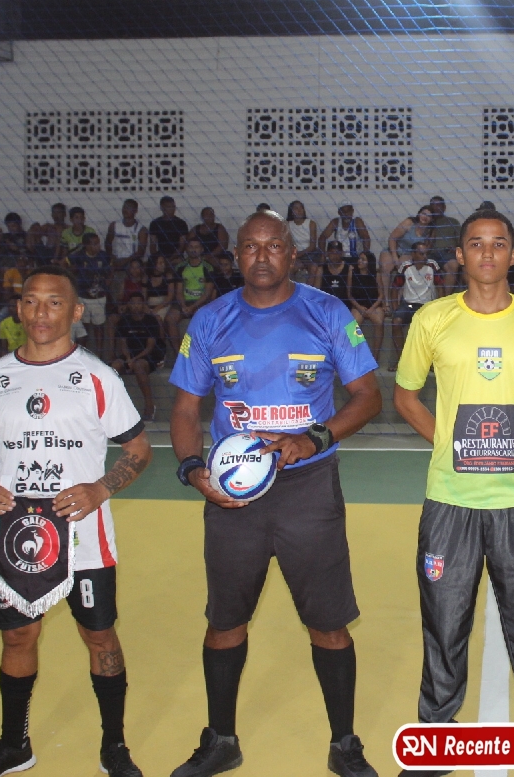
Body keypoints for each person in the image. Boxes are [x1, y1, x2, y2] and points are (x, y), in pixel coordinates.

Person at [167, 210, 382, 777]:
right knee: (225, 620)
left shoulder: (327, 312)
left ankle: (344, 744)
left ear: (292, 252)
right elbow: (186, 409)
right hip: (232, 495)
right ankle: (222, 740)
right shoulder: (210, 320)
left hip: (308, 489)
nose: (261, 256)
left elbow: (368, 396)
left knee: (328, 621)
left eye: (273, 246)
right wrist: (193, 469)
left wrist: (314, 437)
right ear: (236, 254)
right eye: (250, 247)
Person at [392, 206, 514, 777]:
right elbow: (405, 396)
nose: (487, 253)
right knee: (444, 626)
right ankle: (433, 746)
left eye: (499, 243)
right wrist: (447, 444)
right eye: (476, 243)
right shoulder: (433, 319)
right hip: (449, 500)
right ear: (460, 255)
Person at [0, 265, 152, 777]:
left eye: (53, 302)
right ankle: (14, 744)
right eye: (30, 301)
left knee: (99, 636)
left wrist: (100, 489)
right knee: (17, 637)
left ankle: (114, 746)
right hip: (17, 535)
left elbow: (138, 448)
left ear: (75, 311)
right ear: (18, 307)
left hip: (85, 536)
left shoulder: (97, 378)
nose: (40, 312)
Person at [111, 293, 165, 422]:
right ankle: (114, 408)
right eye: (133, 303)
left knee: (139, 366)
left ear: (143, 304)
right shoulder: (124, 321)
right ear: (129, 305)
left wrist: (133, 360)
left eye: (138, 302)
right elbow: (123, 344)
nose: (136, 306)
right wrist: (128, 358)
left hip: (148, 356)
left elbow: (150, 347)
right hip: (130, 355)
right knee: (114, 367)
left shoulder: (150, 320)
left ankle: (149, 406)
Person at [390, 242, 441, 368]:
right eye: (421, 253)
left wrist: (440, 306)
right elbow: (395, 287)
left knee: (430, 326)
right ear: (413, 254)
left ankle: (430, 362)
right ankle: (402, 360)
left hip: (426, 305)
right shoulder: (406, 267)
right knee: (396, 322)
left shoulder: (432, 265)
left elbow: (441, 286)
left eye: (426, 253)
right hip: (408, 304)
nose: (425, 256)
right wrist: (395, 308)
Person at [70, 233, 113, 356]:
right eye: (94, 244)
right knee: (84, 327)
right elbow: (65, 264)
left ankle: (99, 353)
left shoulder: (104, 256)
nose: (97, 246)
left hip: (99, 296)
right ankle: (84, 353)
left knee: (99, 326)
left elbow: (111, 270)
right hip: (83, 296)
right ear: (86, 245)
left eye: (98, 243)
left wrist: (108, 280)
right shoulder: (79, 256)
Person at [381, 205, 437, 292]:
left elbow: (426, 250)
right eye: (423, 214)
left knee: (404, 268)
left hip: (410, 254)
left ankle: (399, 297)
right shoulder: (409, 222)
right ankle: (386, 298)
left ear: (432, 219)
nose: (425, 217)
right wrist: (395, 256)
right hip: (394, 249)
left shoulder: (431, 231)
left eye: (429, 216)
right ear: (419, 214)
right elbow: (392, 238)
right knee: (385, 267)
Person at [346, 250, 386, 366]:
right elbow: (349, 295)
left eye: (363, 259)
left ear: (369, 262)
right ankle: (357, 356)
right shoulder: (352, 273)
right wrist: (359, 307)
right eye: (359, 259)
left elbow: (381, 295)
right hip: (358, 305)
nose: (359, 261)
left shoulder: (376, 274)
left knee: (379, 322)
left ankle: (375, 357)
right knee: (352, 325)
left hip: (373, 305)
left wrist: (372, 308)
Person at [145, 252, 180, 359]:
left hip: (163, 305)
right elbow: (143, 297)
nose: (162, 265)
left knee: (158, 318)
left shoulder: (168, 276)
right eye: (159, 263)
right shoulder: (146, 278)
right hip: (149, 306)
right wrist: (147, 308)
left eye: (163, 262)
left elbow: (170, 297)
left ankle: (162, 349)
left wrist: (156, 309)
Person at [105, 199, 150, 284]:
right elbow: (108, 243)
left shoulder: (141, 230)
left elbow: (141, 252)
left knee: (133, 268)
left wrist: (124, 261)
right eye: (124, 207)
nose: (125, 210)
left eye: (129, 208)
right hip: (116, 259)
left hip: (131, 261)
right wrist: (111, 257)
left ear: (135, 211)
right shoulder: (114, 225)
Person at [425, 195, 462, 290]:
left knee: (453, 265)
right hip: (430, 254)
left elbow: (461, 241)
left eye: (438, 205)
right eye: (433, 205)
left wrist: (456, 249)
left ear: (444, 207)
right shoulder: (426, 222)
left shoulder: (453, 222)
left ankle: (445, 297)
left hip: (447, 253)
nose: (436, 208)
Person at [149, 196, 189, 262]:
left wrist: (170, 260)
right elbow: (152, 245)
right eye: (168, 207)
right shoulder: (155, 223)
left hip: (177, 258)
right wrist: (157, 259)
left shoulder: (181, 223)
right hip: (161, 258)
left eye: (173, 206)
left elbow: (182, 246)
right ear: (162, 208)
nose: (172, 209)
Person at [286, 200, 320, 270]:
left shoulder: (311, 223)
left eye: (301, 208)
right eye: (296, 208)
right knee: (291, 267)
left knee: (313, 268)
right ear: (291, 212)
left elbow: (312, 246)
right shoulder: (288, 224)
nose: (299, 210)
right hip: (296, 253)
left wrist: (299, 255)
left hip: (310, 253)